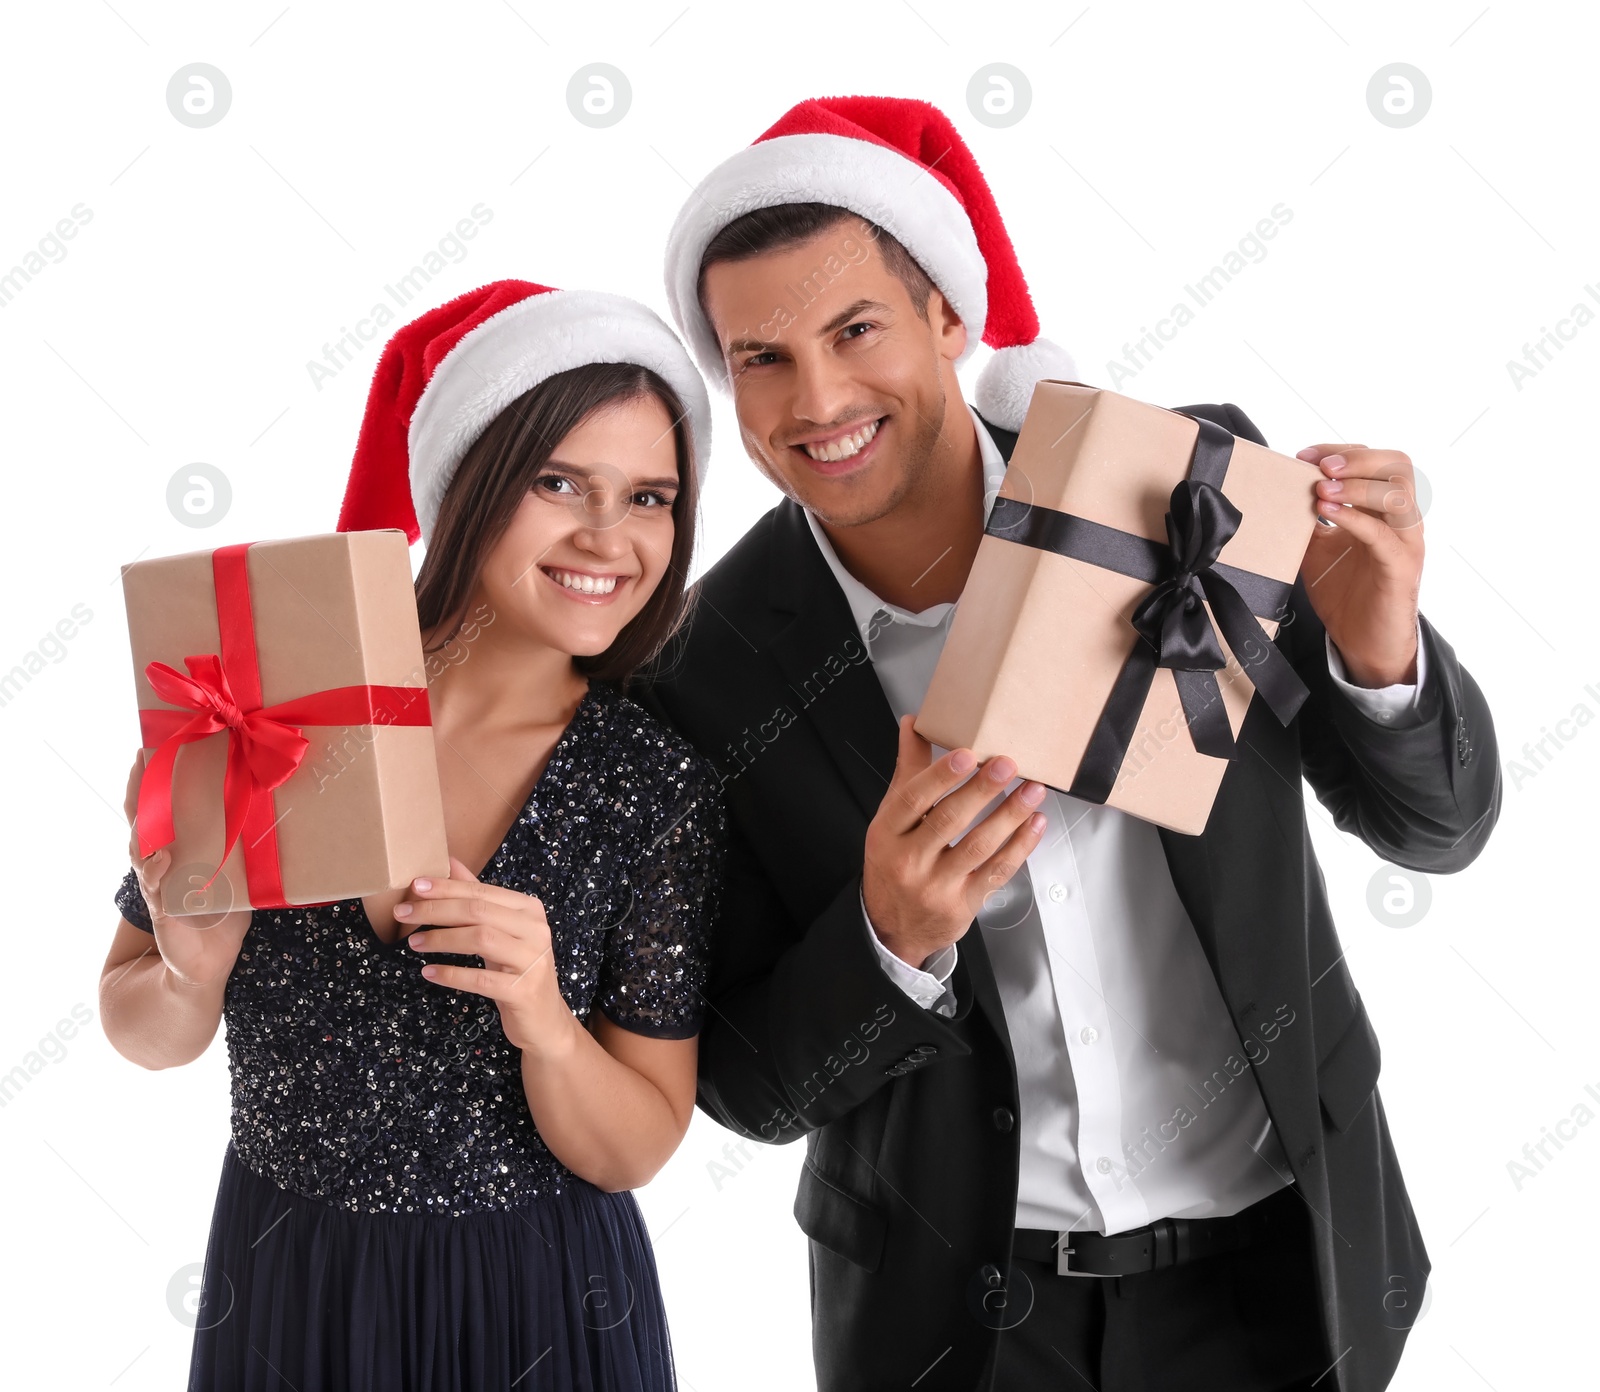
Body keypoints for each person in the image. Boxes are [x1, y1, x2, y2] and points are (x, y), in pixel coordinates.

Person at [629, 96, 1501, 1391]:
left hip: (1280, 1275)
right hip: (960, 1324)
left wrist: (1380, 653)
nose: (817, 399)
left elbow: (1438, 829)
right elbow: (753, 1089)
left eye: (855, 328)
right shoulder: (696, 673)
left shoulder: (1179, 493)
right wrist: (888, 937)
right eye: (762, 356)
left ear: (946, 317)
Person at [99, 279, 725, 1392]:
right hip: (292, 1287)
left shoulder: (649, 783)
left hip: (542, 1297)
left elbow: (637, 1144)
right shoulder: (277, 707)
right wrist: (189, 975)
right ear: (468, 479)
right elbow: (138, 1026)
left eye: (650, 497)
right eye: (559, 482)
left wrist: (546, 1022)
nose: (608, 535)